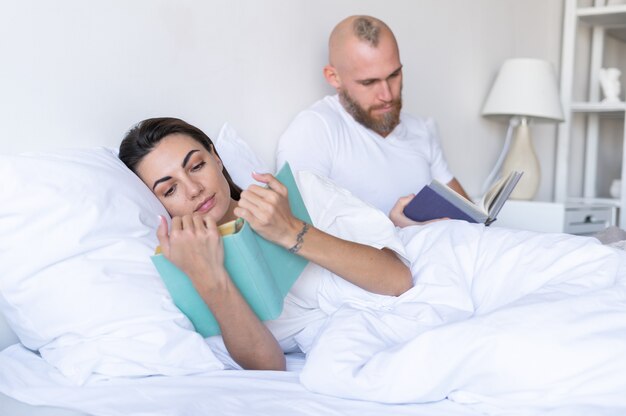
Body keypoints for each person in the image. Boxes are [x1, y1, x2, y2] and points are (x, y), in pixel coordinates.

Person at [118, 117, 413, 372]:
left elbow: (398, 279)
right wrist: (209, 278)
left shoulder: (301, 189)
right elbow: (268, 367)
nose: (194, 189)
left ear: (216, 158)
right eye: (170, 189)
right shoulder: (186, 276)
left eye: (196, 166)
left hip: (414, 310)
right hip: (354, 352)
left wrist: (291, 231)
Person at [276, 15, 469, 223]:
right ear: (334, 77)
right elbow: (303, 236)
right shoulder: (314, 131)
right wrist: (395, 234)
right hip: (394, 255)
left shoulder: (420, 129)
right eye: (369, 82)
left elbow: (470, 216)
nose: (387, 95)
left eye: (394, 75)